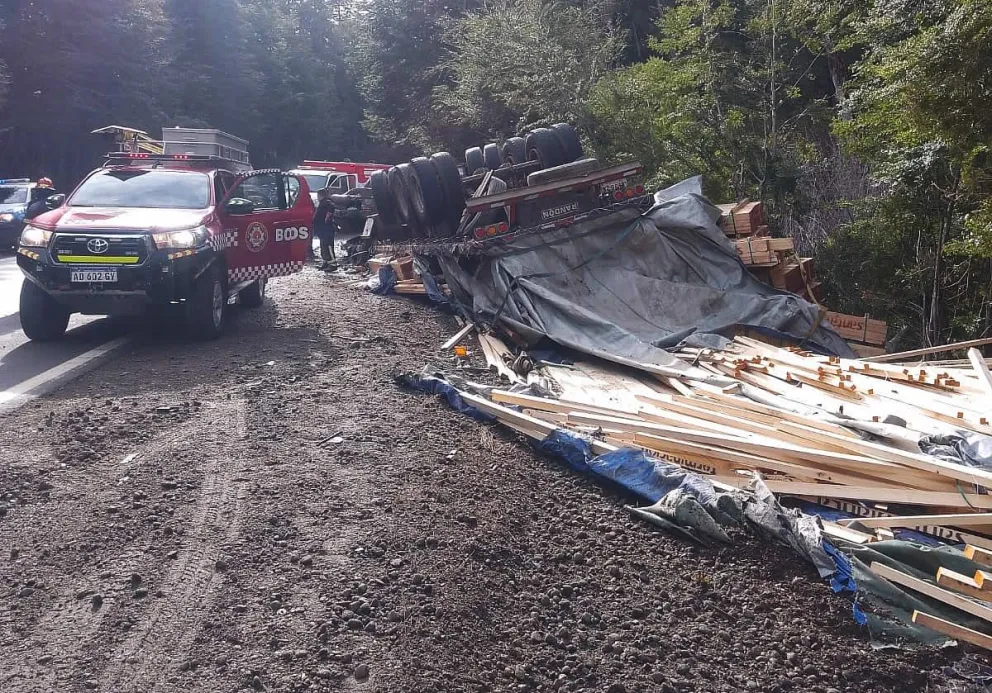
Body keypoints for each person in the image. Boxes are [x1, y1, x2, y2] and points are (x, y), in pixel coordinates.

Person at [312, 187, 336, 269]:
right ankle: (326, 262)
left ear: (320, 195)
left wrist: (327, 218)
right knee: (323, 247)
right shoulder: (322, 203)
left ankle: (333, 264)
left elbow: (331, 208)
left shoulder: (326, 202)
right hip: (322, 229)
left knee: (328, 247)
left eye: (318, 195)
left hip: (327, 229)